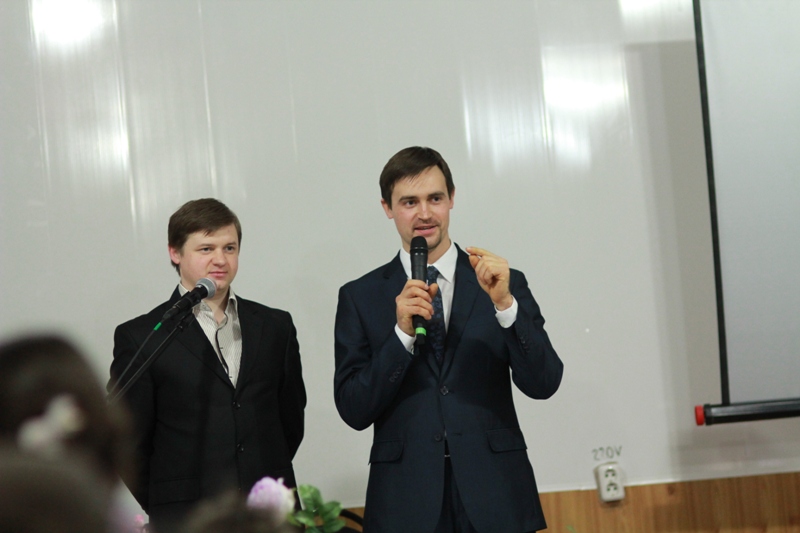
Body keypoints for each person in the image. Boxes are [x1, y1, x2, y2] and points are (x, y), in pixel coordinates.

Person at [334, 147, 563, 533]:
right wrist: (401, 336)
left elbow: (544, 382)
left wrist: (506, 306)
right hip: (406, 502)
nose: (424, 213)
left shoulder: (501, 282)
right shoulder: (361, 296)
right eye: (409, 202)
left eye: (435, 198)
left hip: (496, 494)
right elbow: (353, 409)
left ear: (452, 199)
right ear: (387, 208)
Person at [109, 198, 306, 532]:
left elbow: (290, 421)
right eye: (206, 249)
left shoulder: (275, 326)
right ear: (175, 252)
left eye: (230, 248)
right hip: (187, 518)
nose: (220, 259)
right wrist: (166, 501)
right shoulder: (142, 336)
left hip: (270, 517)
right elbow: (130, 443)